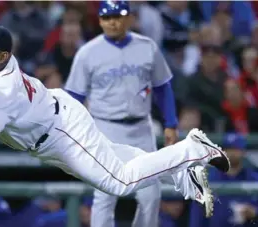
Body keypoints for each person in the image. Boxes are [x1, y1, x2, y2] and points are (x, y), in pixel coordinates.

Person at [0, 23, 231, 219]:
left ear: (2, 56)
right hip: (45, 126)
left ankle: (190, 149)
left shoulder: (2, 90)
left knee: (118, 181)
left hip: (60, 130)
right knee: (118, 157)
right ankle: (182, 171)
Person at [64, 1, 178, 227]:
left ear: (130, 18)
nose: (113, 22)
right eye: (107, 17)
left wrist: (171, 123)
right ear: (100, 20)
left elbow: (163, 87)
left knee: (151, 195)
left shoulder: (147, 47)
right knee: (105, 195)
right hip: (104, 128)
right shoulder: (88, 53)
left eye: (118, 16)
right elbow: (73, 97)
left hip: (141, 128)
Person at [188, 133, 258, 227]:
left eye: (235, 149)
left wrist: (255, 212)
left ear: (243, 151)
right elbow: (197, 218)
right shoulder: (209, 180)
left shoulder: (255, 179)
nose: (231, 153)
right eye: (228, 149)